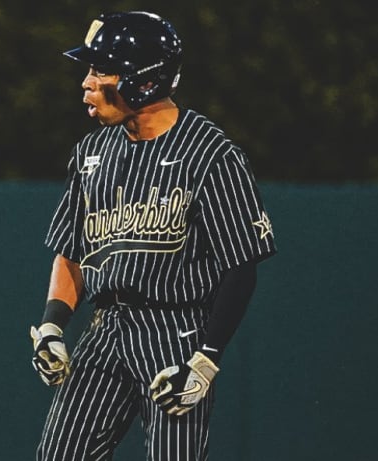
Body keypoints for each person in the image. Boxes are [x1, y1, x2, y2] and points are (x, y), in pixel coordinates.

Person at [30, 11, 276, 461]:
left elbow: (240, 267)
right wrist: (51, 325)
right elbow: (71, 252)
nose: (86, 82)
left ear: (143, 80)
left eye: (100, 69)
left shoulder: (210, 153)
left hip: (176, 333)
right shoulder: (90, 152)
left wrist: (205, 360)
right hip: (105, 328)